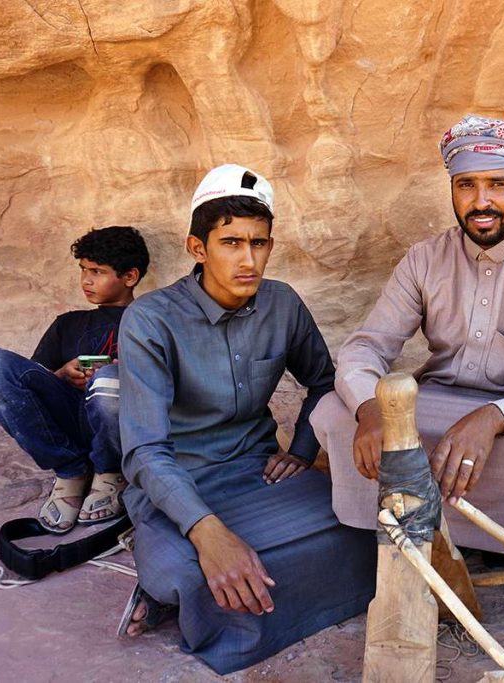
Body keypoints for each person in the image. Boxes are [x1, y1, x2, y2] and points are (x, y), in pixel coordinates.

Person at [116, 164, 375, 674]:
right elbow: (145, 452)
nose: (248, 259)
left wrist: (301, 450)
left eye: (259, 244)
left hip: (260, 474)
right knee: (189, 575)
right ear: (197, 248)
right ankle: (173, 557)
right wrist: (208, 533)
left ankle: (242, 580)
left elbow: (324, 380)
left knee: (367, 524)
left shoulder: (281, 304)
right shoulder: (150, 319)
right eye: (231, 243)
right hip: (179, 484)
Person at [311, 115, 504, 557]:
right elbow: (367, 347)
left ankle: (491, 542)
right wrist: (371, 410)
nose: (480, 201)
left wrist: (490, 420)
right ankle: (400, 527)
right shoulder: (425, 259)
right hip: (434, 403)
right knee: (333, 409)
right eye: (466, 185)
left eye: (498, 185)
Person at [0, 226, 149, 533]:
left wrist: (121, 373)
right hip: (67, 422)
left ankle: (110, 472)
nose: (86, 280)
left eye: (97, 271)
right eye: (83, 270)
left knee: (109, 382)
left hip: (120, 428)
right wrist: (61, 374)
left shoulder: (152, 321)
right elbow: (26, 392)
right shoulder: (67, 324)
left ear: (129, 277)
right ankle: (71, 471)